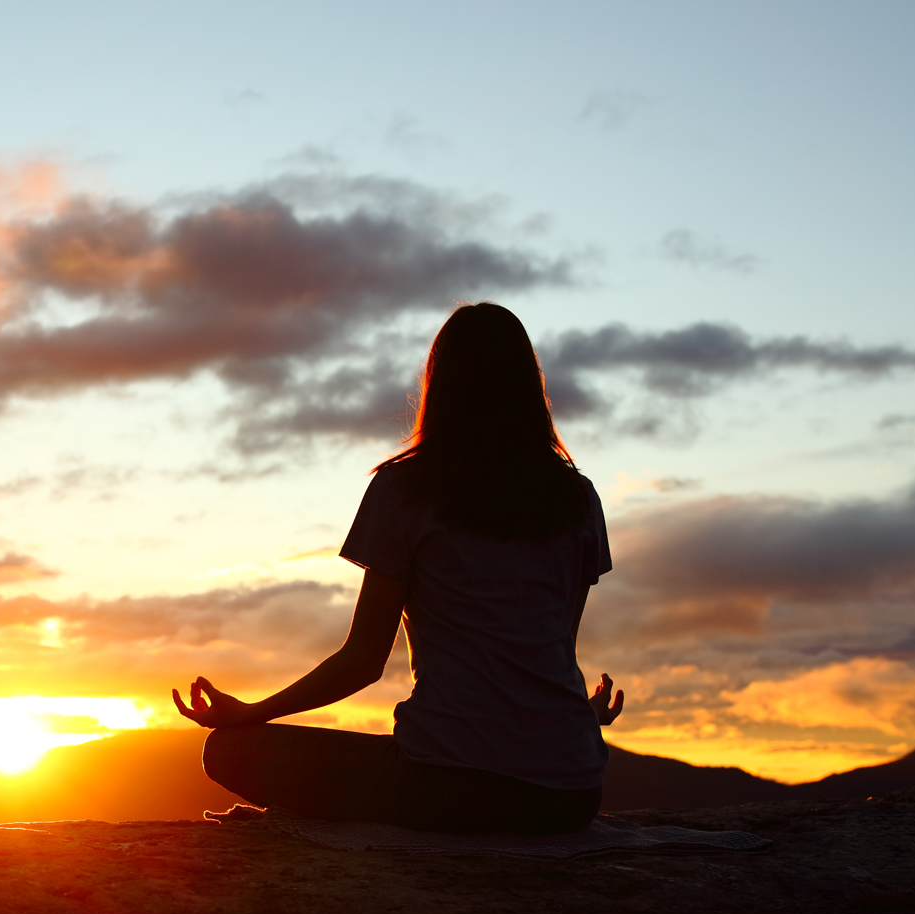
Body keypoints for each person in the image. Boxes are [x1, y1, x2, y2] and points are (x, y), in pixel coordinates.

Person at [172, 302, 624, 835]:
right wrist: (577, 716)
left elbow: (363, 661)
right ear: (529, 385)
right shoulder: (577, 497)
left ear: (440, 383)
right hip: (568, 796)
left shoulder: (404, 490)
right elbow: (553, 649)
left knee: (229, 751)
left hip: (450, 786)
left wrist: (251, 712)